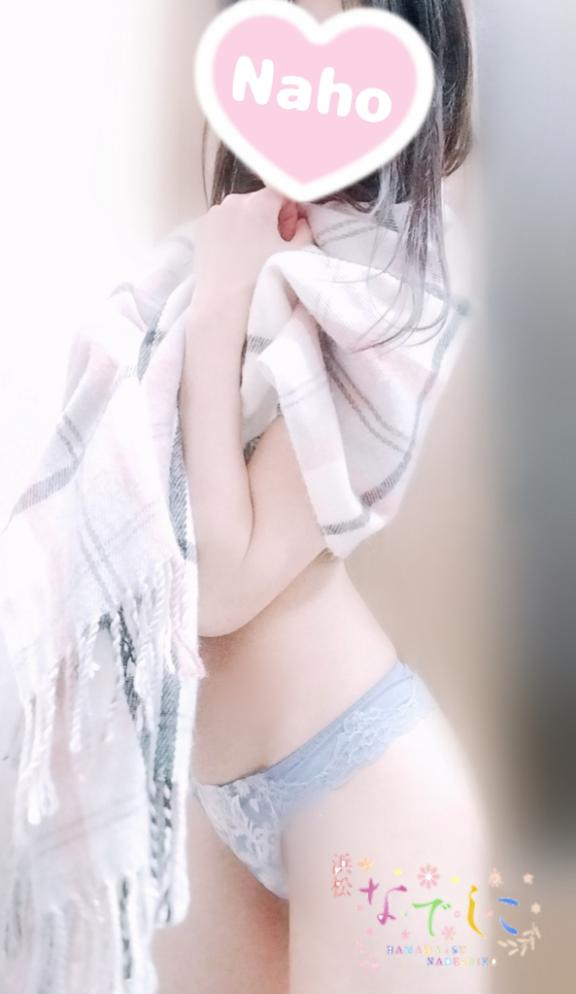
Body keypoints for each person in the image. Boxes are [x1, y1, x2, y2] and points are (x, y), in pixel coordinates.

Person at [154, 1, 491, 992]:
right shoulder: (230, 246)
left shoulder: (387, 285)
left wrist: (223, 297)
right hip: (209, 782)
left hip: (368, 783)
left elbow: (226, 581)